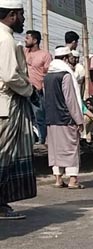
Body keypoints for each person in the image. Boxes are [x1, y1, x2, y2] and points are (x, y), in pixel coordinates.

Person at [0, 1, 35, 220]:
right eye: (21, 15)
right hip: (7, 104)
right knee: (4, 156)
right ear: (12, 15)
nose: (23, 20)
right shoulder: (5, 40)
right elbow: (10, 76)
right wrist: (30, 90)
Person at [44, 46, 84, 189]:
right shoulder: (65, 75)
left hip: (51, 119)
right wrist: (79, 120)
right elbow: (71, 100)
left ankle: (58, 179)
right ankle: (73, 180)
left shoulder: (47, 76)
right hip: (66, 119)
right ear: (66, 58)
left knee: (55, 150)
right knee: (71, 149)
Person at [23, 29, 51, 144]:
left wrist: (42, 87)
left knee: (39, 116)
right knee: (26, 117)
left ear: (35, 40)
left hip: (38, 91)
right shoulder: (24, 52)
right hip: (25, 89)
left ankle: (42, 139)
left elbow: (48, 74)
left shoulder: (45, 55)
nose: (25, 40)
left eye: (28, 38)